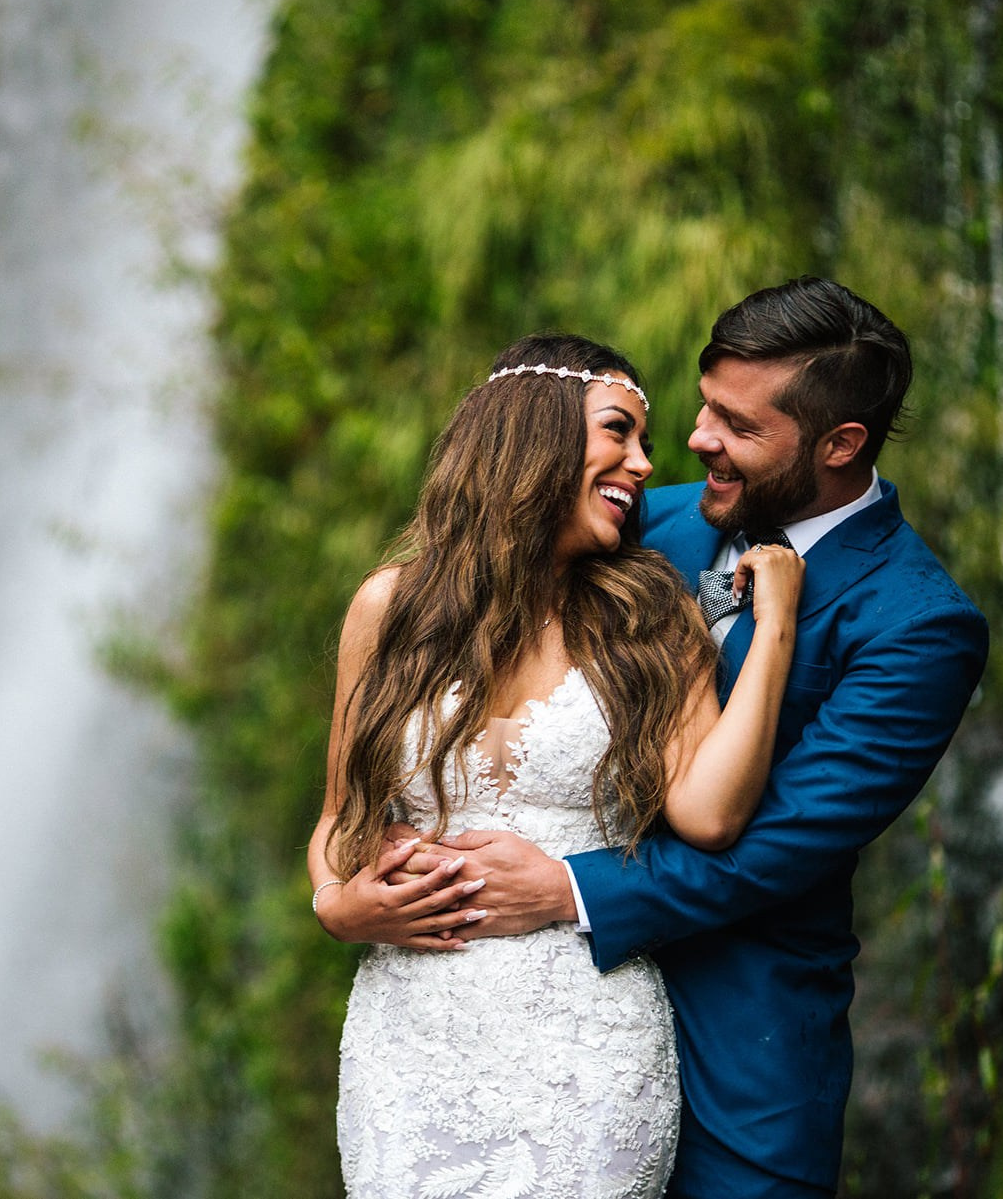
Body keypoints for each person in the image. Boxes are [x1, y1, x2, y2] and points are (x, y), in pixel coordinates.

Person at [373, 278, 990, 1196]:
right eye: (704, 408)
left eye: (737, 426)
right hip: (518, 1031)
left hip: (740, 1058)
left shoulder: (918, 623)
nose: (698, 440)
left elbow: (776, 848)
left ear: (840, 443)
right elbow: (465, 649)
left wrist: (563, 887)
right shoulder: (640, 520)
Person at [308, 332, 806, 1198]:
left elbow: (713, 814)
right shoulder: (387, 608)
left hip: (585, 1046)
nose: (645, 464)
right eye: (620, 431)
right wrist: (339, 904)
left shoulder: (645, 616)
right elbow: (338, 823)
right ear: (532, 432)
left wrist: (775, 630)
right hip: (410, 1047)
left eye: (645, 442)